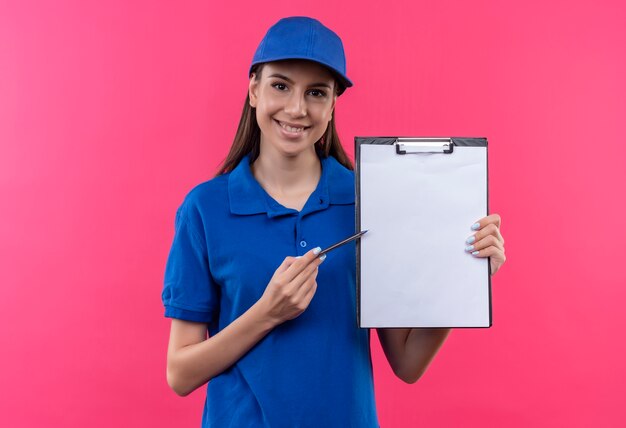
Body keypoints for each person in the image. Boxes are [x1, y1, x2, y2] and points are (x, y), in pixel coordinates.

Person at [161, 16, 506, 428]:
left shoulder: (370, 198)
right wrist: (268, 313)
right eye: (280, 85)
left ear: (333, 104)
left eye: (316, 93)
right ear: (254, 90)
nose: (296, 108)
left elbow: (408, 363)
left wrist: (464, 275)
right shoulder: (204, 208)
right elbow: (180, 374)